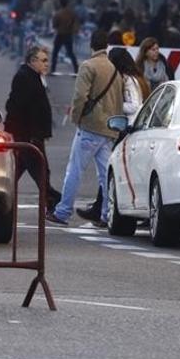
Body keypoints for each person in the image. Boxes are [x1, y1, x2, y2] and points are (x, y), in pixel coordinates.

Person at [46, 30, 124, 227]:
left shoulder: (88, 66)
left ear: (91, 45)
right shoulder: (115, 70)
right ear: (106, 46)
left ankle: (63, 212)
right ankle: (107, 214)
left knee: (74, 171)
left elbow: (80, 96)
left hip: (90, 126)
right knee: (105, 175)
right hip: (108, 128)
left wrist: (76, 117)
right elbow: (118, 101)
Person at [75, 47, 151, 223]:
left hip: (127, 129)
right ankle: (101, 208)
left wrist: (115, 106)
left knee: (111, 170)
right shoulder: (135, 78)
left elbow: (134, 105)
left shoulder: (129, 80)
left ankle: (103, 209)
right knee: (111, 169)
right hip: (129, 128)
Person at [3, 45, 62, 208]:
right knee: (41, 171)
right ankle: (53, 202)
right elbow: (16, 106)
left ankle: (0, 198)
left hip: (31, 135)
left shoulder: (33, 76)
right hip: (28, 135)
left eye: (47, 61)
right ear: (32, 61)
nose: (46, 64)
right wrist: (30, 135)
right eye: (43, 61)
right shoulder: (24, 77)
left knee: (18, 170)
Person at [50, 0, 79, 75]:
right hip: (68, 34)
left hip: (60, 34)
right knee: (70, 53)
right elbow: (75, 23)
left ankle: (53, 69)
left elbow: (54, 25)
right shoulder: (71, 13)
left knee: (55, 52)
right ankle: (76, 69)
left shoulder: (58, 14)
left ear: (60, 3)